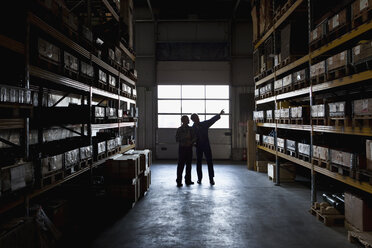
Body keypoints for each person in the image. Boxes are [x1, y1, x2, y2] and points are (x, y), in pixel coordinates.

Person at [191, 109, 224, 185]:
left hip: (206, 146)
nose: (198, 118)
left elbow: (212, 120)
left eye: (198, 117)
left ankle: (211, 179)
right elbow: (190, 138)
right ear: (193, 120)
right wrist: (194, 144)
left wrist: (219, 114)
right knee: (198, 162)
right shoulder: (192, 129)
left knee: (209, 162)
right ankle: (199, 178)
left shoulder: (204, 124)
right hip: (198, 147)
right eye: (196, 118)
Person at [175, 115, 196, 187]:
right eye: (187, 119)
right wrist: (184, 138)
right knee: (180, 165)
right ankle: (179, 181)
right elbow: (177, 139)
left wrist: (191, 142)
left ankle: (188, 180)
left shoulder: (191, 129)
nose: (189, 120)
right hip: (182, 149)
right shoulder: (179, 129)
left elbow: (194, 137)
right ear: (183, 121)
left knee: (189, 165)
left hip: (189, 148)